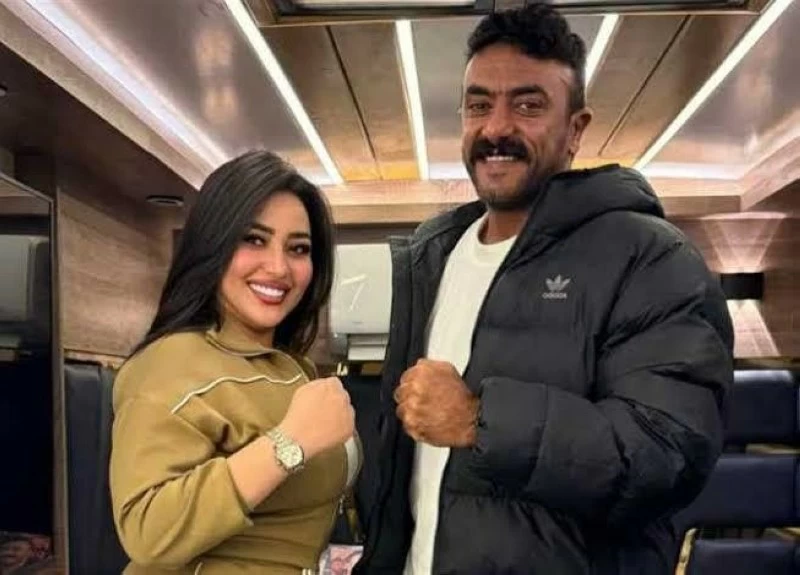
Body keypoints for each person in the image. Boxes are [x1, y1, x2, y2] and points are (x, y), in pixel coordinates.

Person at [354, 4, 734, 575]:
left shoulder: (651, 258)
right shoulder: (434, 255)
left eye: (528, 105)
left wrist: (480, 420)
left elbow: (668, 456)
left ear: (576, 129)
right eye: (479, 105)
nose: (496, 128)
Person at [110, 150, 360, 575]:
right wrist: (289, 443)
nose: (278, 267)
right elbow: (147, 530)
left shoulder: (289, 367)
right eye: (254, 240)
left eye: (298, 248)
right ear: (213, 244)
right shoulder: (170, 362)